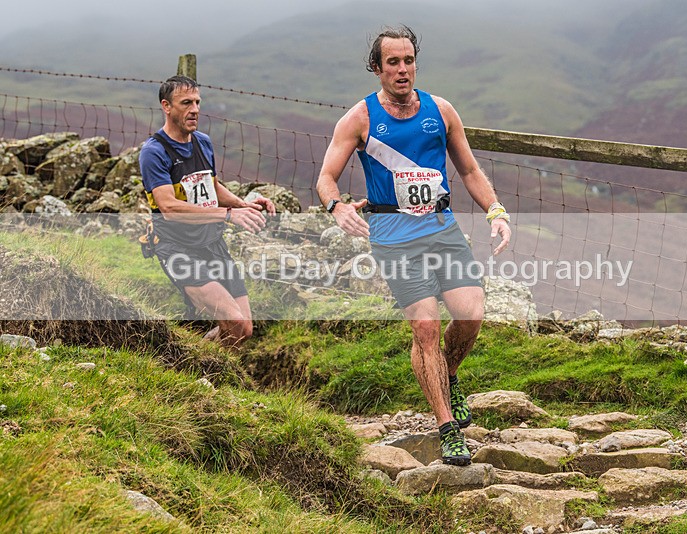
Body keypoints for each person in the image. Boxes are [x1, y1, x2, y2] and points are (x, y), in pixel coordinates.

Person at [316, 26, 512, 465]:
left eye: (408, 61)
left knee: (471, 314)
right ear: (377, 68)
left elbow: (470, 171)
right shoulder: (359, 119)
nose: (402, 70)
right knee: (424, 328)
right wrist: (337, 206)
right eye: (392, 63)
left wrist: (496, 211)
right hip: (393, 237)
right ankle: (447, 429)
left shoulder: (441, 111)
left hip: (442, 230)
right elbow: (325, 177)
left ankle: (449, 374)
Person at [139, 75, 276, 348]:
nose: (195, 110)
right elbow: (168, 208)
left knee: (244, 329)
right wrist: (227, 214)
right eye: (186, 103)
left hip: (211, 243)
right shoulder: (153, 152)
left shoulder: (202, 141)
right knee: (234, 323)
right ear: (166, 106)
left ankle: (203, 365)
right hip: (177, 247)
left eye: (198, 102)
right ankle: (198, 377)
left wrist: (242, 204)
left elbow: (210, 185)